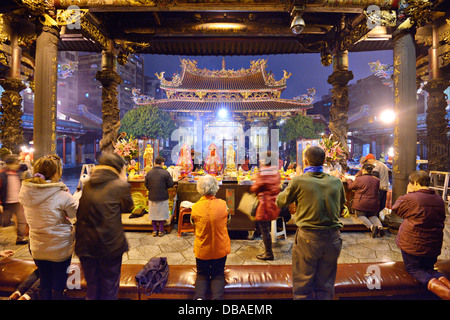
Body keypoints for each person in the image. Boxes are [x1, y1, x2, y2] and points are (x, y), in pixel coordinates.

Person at [276, 146, 345, 300]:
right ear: (325, 161)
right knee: (326, 286)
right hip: (333, 238)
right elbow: (341, 205)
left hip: (308, 238)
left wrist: (284, 189)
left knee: (302, 286)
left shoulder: (298, 181)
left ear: (305, 161)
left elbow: (280, 202)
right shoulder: (336, 182)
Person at [19, 155, 78, 300]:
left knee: (45, 281)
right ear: (57, 173)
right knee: (59, 283)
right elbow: (75, 214)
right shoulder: (61, 194)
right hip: (59, 247)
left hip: (37, 247)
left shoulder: (25, 192)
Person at [75, 153, 133, 300]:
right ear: (118, 168)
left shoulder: (88, 185)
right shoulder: (120, 185)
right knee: (109, 289)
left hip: (85, 245)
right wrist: (124, 180)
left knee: (92, 288)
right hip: (109, 246)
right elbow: (128, 207)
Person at [392, 170, 449, 300]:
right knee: (430, 269)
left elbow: (396, 210)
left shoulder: (410, 198)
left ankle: (446, 294)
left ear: (415, 183)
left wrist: (408, 193)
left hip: (414, 246)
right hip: (433, 246)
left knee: (415, 270)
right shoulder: (439, 199)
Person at [190, 175, 231, 300]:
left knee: (202, 275)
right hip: (220, 248)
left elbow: (193, 223)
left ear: (199, 188)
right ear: (215, 188)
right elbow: (227, 221)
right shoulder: (224, 205)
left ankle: (199, 298)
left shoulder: (195, 207)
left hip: (202, 249)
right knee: (218, 274)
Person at [250, 151, 281, 261]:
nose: (260, 160)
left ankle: (269, 253)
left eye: (262, 158)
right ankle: (267, 250)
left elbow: (255, 188)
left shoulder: (264, 171)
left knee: (264, 228)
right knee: (265, 226)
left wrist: (254, 182)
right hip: (274, 202)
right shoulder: (275, 170)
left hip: (265, 203)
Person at [344, 163, 384, 238]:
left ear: (363, 170)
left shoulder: (359, 179)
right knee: (372, 216)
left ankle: (372, 227)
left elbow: (350, 187)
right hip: (373, 203)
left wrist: (349, 180)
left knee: (360, 215)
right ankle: (380, 227)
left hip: (361, 203)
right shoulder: (377, 180)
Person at [0, 154, 29, 245]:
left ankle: (20, 239)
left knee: (21, 221)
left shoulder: (16, 172)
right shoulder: (2, 175)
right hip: (6, 203)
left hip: (17, 201)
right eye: (15, 163)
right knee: (3, 222)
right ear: (9, 164)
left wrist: (19, 160)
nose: (17, 165)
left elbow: (25, 167)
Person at [145, 156, 174, 237]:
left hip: (152, 196)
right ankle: (161, 231)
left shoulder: (149, 173)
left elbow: (146, 185)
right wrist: (164, 187)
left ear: (154, 163)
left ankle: (154, 231)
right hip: (163, 196)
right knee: (162, 214)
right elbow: (171, 184)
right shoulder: (165, 173)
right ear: (162, 163)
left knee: (153, 214)